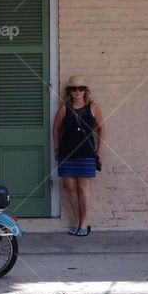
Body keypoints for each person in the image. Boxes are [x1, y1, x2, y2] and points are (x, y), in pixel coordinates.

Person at [53, 75, 105, 237]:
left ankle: (84, 223)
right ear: (70, 91)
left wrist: (100, 149)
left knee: (83, 188)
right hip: (67, 153)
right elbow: (56, 129)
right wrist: (56, 148)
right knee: (70, 187)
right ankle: (78, 221)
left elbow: (102, 128)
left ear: (85, 91)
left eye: (80, 88)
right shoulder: (64, 109)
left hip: (86, 153)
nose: (77, 91)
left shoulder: (93, 107)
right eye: (74, 88)